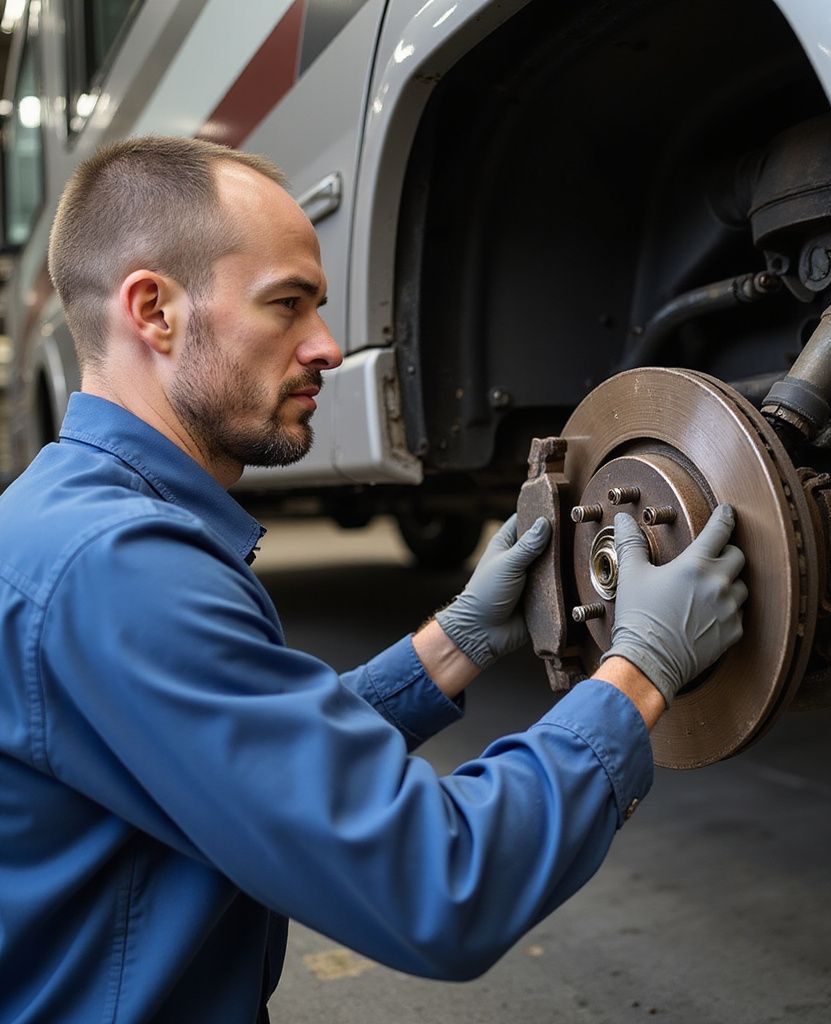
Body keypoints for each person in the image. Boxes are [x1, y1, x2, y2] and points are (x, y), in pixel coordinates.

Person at [0, 137, 747, 1023]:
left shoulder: (59, 516)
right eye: (287, 306)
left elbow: (234, 753)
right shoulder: (120, 573)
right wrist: (641, 671)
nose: (325, 346)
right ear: (154, 310)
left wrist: (455, 641)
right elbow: (441, 886)